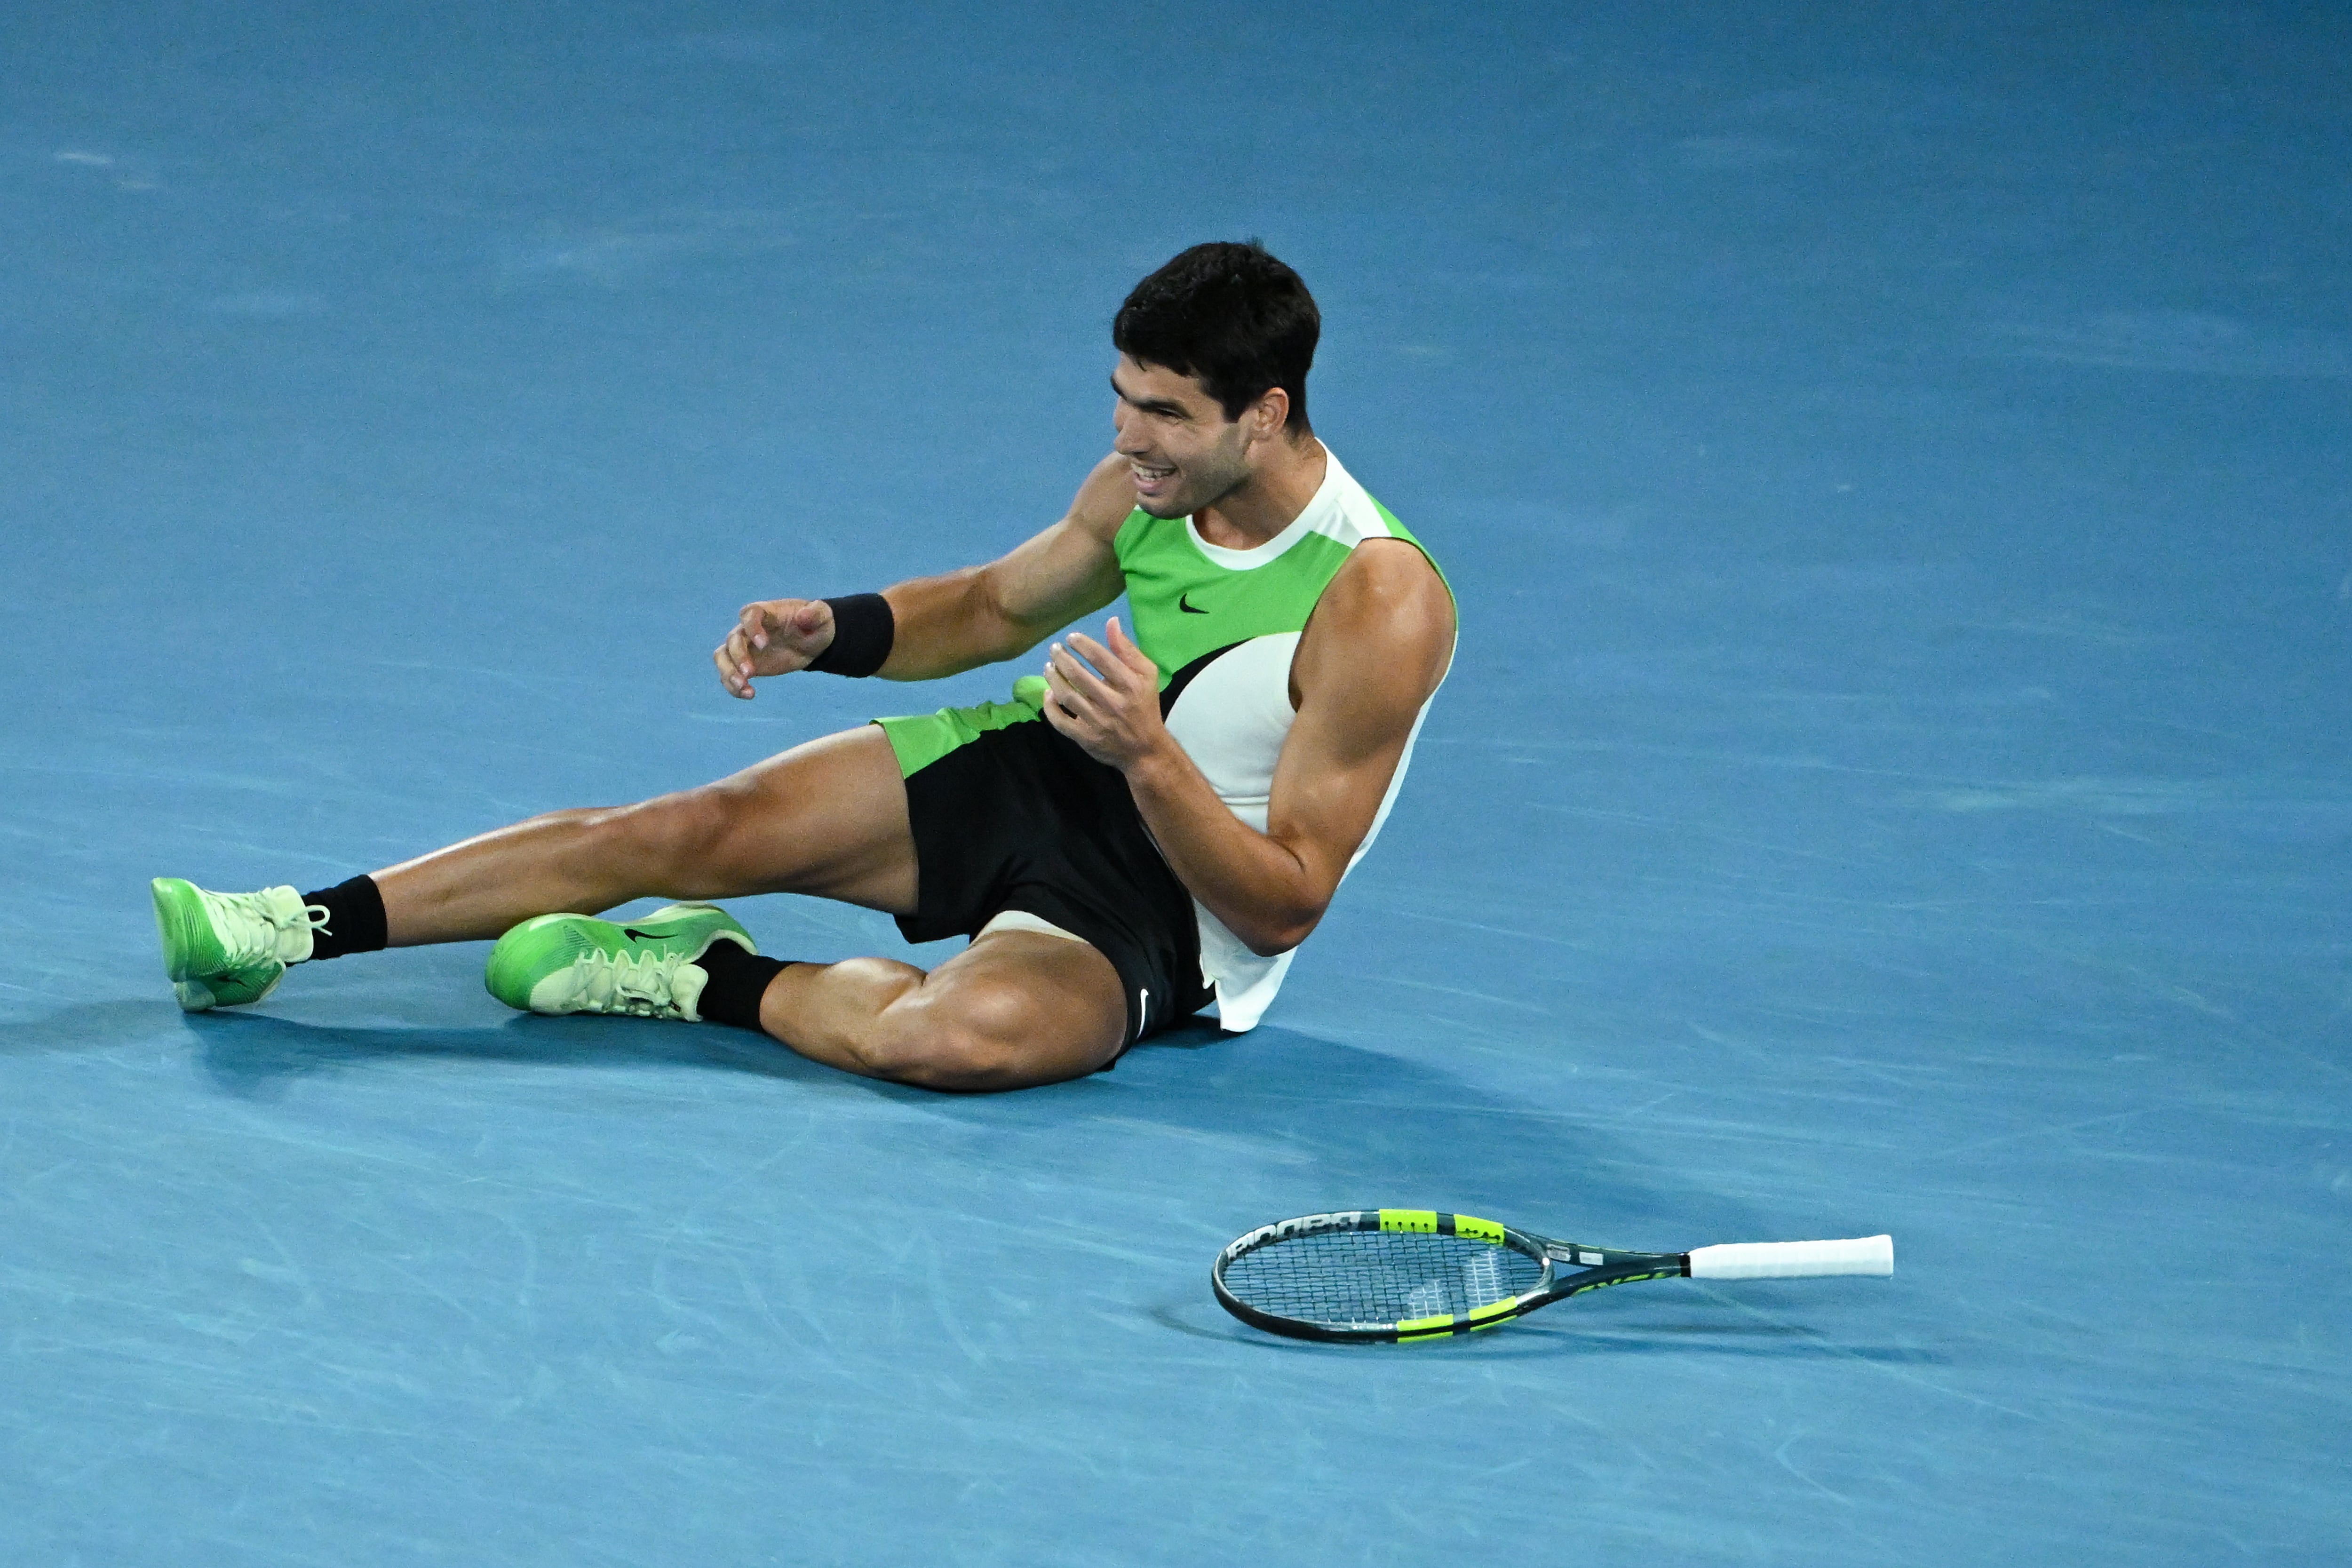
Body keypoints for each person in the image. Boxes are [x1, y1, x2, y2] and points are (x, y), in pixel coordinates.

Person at [151, 241, 1456, 1092]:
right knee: (687, 825)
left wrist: (1152, 759)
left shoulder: (1376, 597)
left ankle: (701, 977)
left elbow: (1287, 903)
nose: (1129, 439)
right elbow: (1001, 604)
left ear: (1268, 413)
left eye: (1164, 412)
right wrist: (842, 631)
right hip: (1041, 768)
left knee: (949, 1038)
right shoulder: (1148, 484)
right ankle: (287, 927)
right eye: (1122, 399)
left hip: (1171, 908)